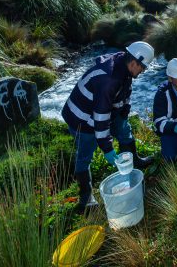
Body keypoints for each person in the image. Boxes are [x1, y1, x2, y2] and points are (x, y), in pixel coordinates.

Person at [61, 41, 155, 213]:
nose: (143, 72)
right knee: (85, 154)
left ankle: (135, 163)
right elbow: (100, 116)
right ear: (134, 62)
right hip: (82, 117)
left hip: (104, 109)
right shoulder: (109, 79)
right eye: (143, 68)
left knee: (124, 131)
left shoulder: (124, 65)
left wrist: (124, 111)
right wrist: (107, 148)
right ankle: (86, 199)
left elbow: (125, 90)